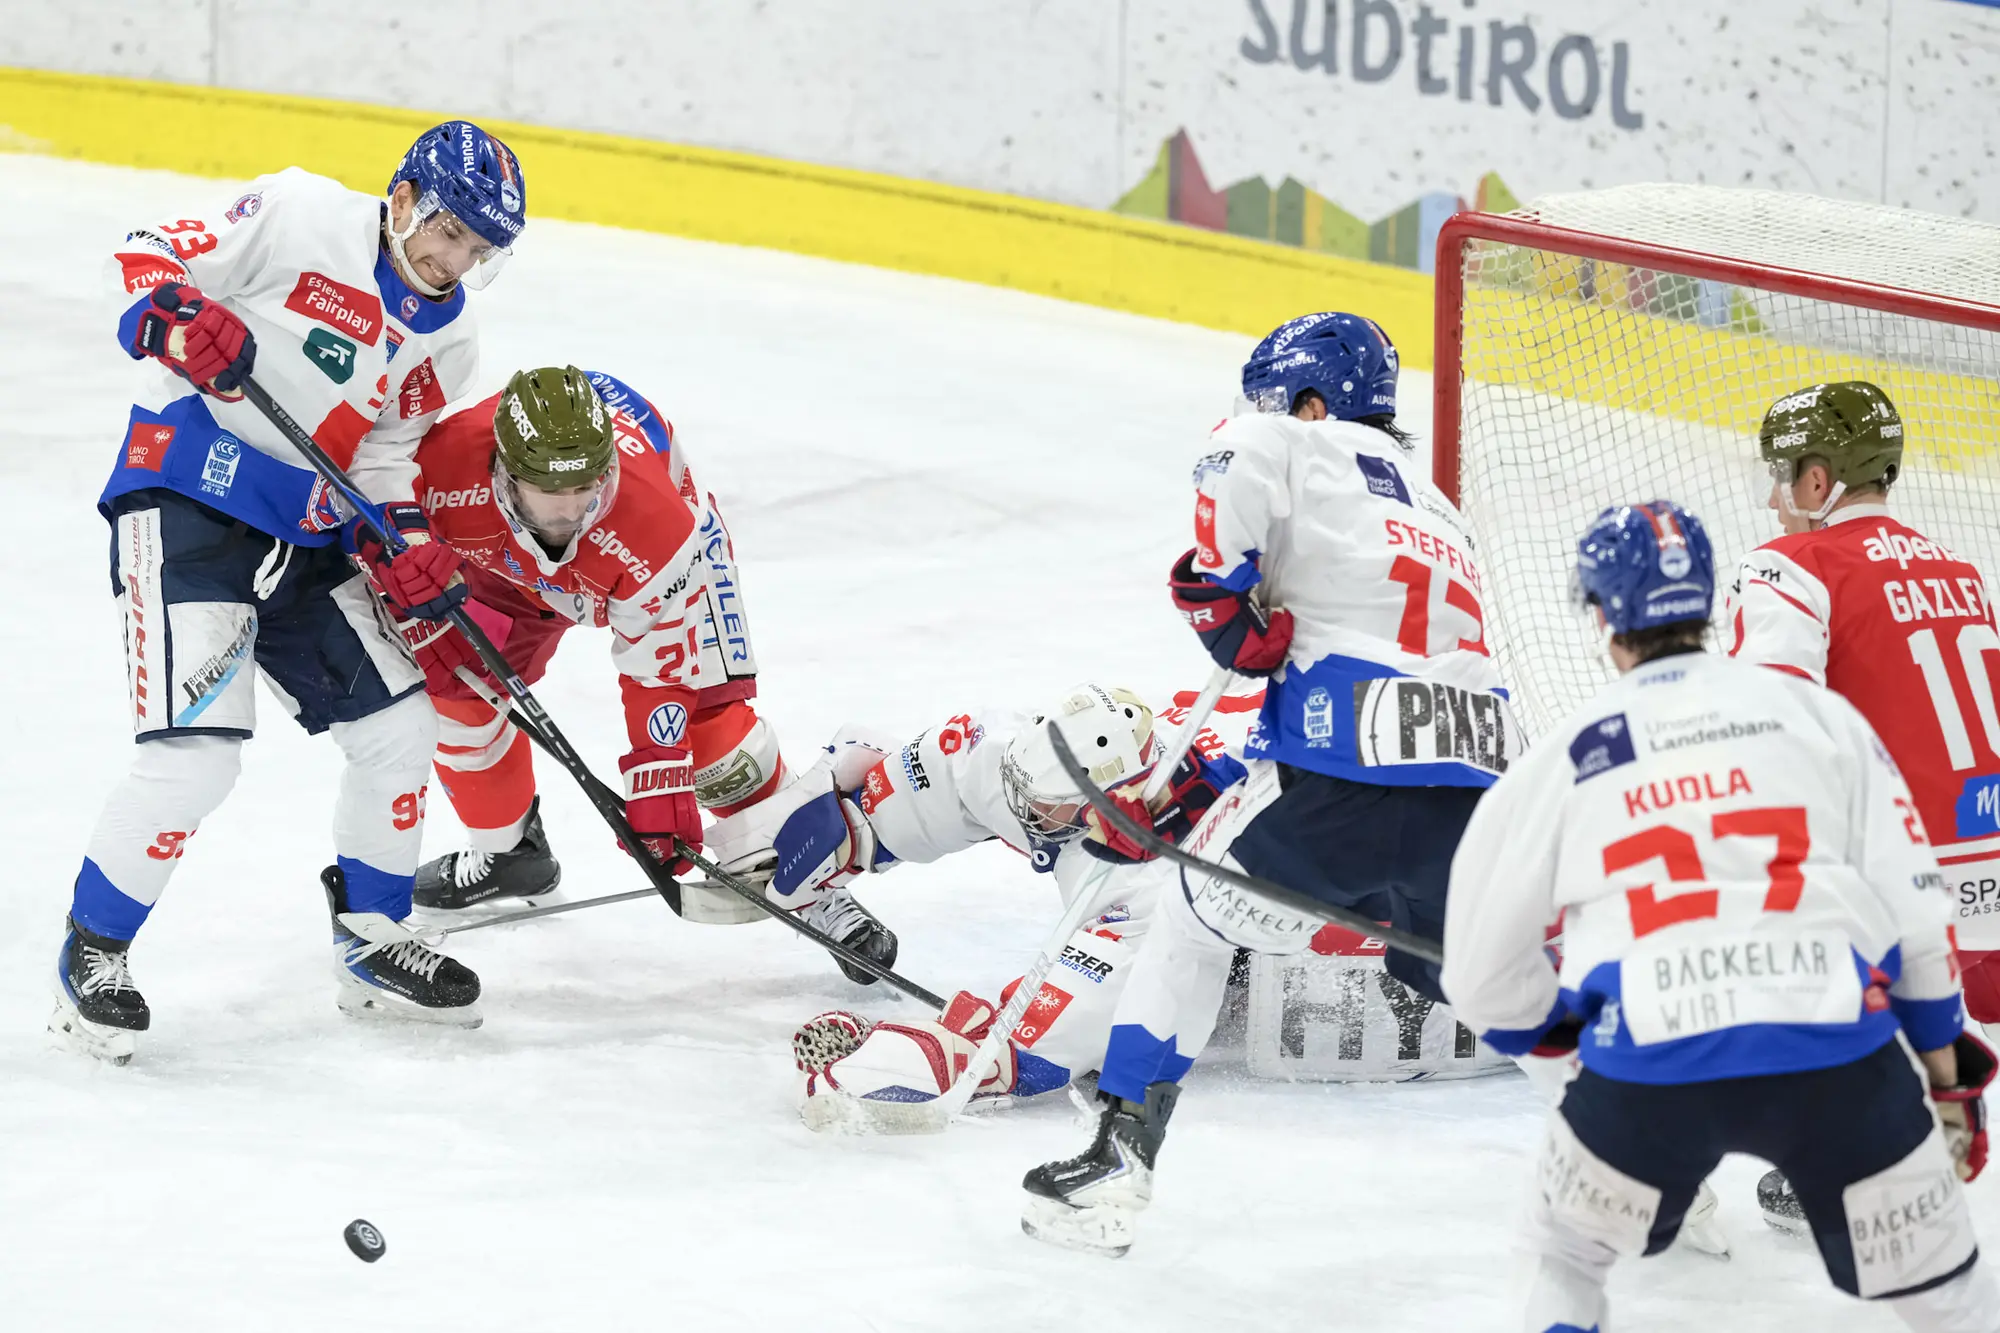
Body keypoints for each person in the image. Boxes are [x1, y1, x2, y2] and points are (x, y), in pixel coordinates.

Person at [1015, 312, 1521, 1257]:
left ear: (1315, 402)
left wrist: (1219, 587)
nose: (1264, 415)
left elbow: (1233, 455)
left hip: (1343, 772)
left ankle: (1119, 1160)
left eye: (1276, 401)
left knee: (1188, 918)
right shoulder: (1439, 509)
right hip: (1483, 785)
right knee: (1495, 983)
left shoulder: (1299, 442)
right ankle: (1658, 1163)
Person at [1443, 499, 1995, 1333]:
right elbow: (1916, 917)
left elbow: (1480, 976)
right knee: (1949, 1299)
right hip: (1840, 1060)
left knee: (1563, 1261)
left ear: (1600, 614)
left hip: (1647, 1069)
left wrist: (1562, 1036)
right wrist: (1947, 1078)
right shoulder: (1821, 718)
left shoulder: (1567, 753)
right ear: (1707, 602)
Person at [54, 122, 527, 1062]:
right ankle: (93, 949)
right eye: (449, 231)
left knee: (402, 726)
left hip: (300, 535)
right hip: (187, 497)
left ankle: (373, 938)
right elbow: (145, 253)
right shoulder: (301, 213)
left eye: (479, 248)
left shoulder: (453, 336)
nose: (456, 260)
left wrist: (403, 542)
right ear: (402, 199)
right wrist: (174, 318)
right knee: (197, 758)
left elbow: (382, 457)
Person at [398, 366, 893, 978]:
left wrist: (659, 774)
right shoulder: (441, 468)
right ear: (504, 473)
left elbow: (659, 674)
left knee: (714, 742)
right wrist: (403, 573)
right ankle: (510, 853)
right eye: (550, 491)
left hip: (652, 570)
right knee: (455, 696)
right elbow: (369, 518)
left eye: (587, 486)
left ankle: (816, 881)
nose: (571, 510)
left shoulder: (658, 525)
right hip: (503, 567)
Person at [712, 684, 1256, 1130]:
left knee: (1199, 991)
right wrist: (850, 822)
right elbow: (966, 767)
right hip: (1250, 764)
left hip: (1272, 904)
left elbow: (1049, 1038)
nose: (1024, 807)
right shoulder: (1064, 759)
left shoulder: (1155, 880)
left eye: (1045, 804)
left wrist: (952, 1050)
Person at [1726, 380, 2000, 1227]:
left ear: (1818, 481)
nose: (1773, 498)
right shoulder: (1962, 572)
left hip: (1904, 897)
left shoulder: (1789, 566)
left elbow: (1765, 729)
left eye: (1781, 477)